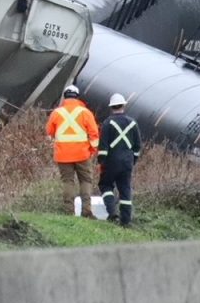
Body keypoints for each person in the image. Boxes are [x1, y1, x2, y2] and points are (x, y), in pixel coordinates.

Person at [46, 84, 100, 218]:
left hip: (63, 155)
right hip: (82, 154)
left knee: (68, 182)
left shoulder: (56, 113)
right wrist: (91, 150)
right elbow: (94, 134)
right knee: (85, 181)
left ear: (65, 97)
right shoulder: (85, 112)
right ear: (77, 97)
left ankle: (68, 211)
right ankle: (86, 211)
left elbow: (49, 132)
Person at [97, 93, 142, 227]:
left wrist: (101, 161)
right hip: (127, 162)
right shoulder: (133, 123)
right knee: (125, 189)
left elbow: (103, 147)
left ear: (111, 107)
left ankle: (112, 213)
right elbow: (137, 146)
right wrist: (133, 161)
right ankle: (126, 220)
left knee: (105, 185)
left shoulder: (107, 123)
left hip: (111, 162)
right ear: (123, 105)